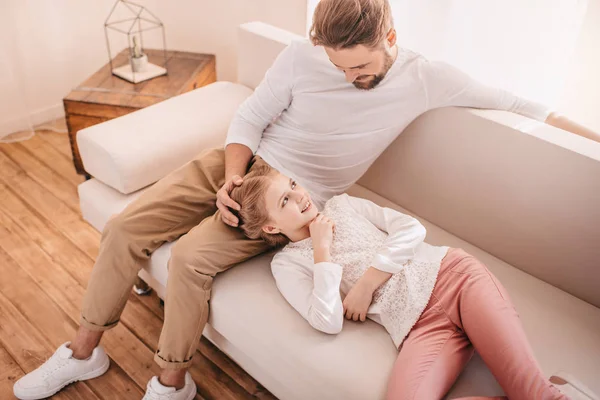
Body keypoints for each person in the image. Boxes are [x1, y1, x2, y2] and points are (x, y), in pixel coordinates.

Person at [13, 0, 599, 399]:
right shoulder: (301, 57)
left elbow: (529, 107)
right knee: (123, 227)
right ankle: (84, 351)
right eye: (339, 67)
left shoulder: (428, 77)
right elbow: (250, 115)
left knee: (191, 260)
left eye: (361, 68)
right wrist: (230, 180)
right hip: (238, 165)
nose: (348, 77)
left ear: (390, 38)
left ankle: (171, 383)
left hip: (289, 201)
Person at [229, 164, 597, 400]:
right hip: (421, 327)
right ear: (271, 226)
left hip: (456, 279)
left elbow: (411, 229)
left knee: (533, 394)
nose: (300, 196)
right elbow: (325, 320)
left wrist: (367, 283)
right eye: (286, 200)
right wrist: (322, 252)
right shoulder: (288, 264)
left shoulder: (343, 205)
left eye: (293, 184)